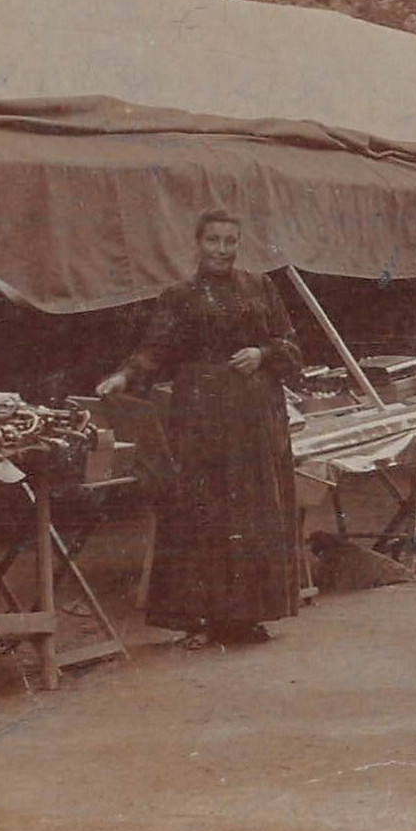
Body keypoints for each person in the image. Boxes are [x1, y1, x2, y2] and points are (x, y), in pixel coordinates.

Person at [97, 208, 302, 646]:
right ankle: (201, 619)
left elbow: (290, 343)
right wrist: (126, 377)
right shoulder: (179, 296)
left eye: (230, 241)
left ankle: (246, 617)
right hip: (199, 417)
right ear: (198, 243)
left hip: (250, 418)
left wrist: (262, 355)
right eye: (214, 241)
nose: (223, 250)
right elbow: (155, 350)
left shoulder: (260, 287)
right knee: (201, 513)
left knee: (248, 512)